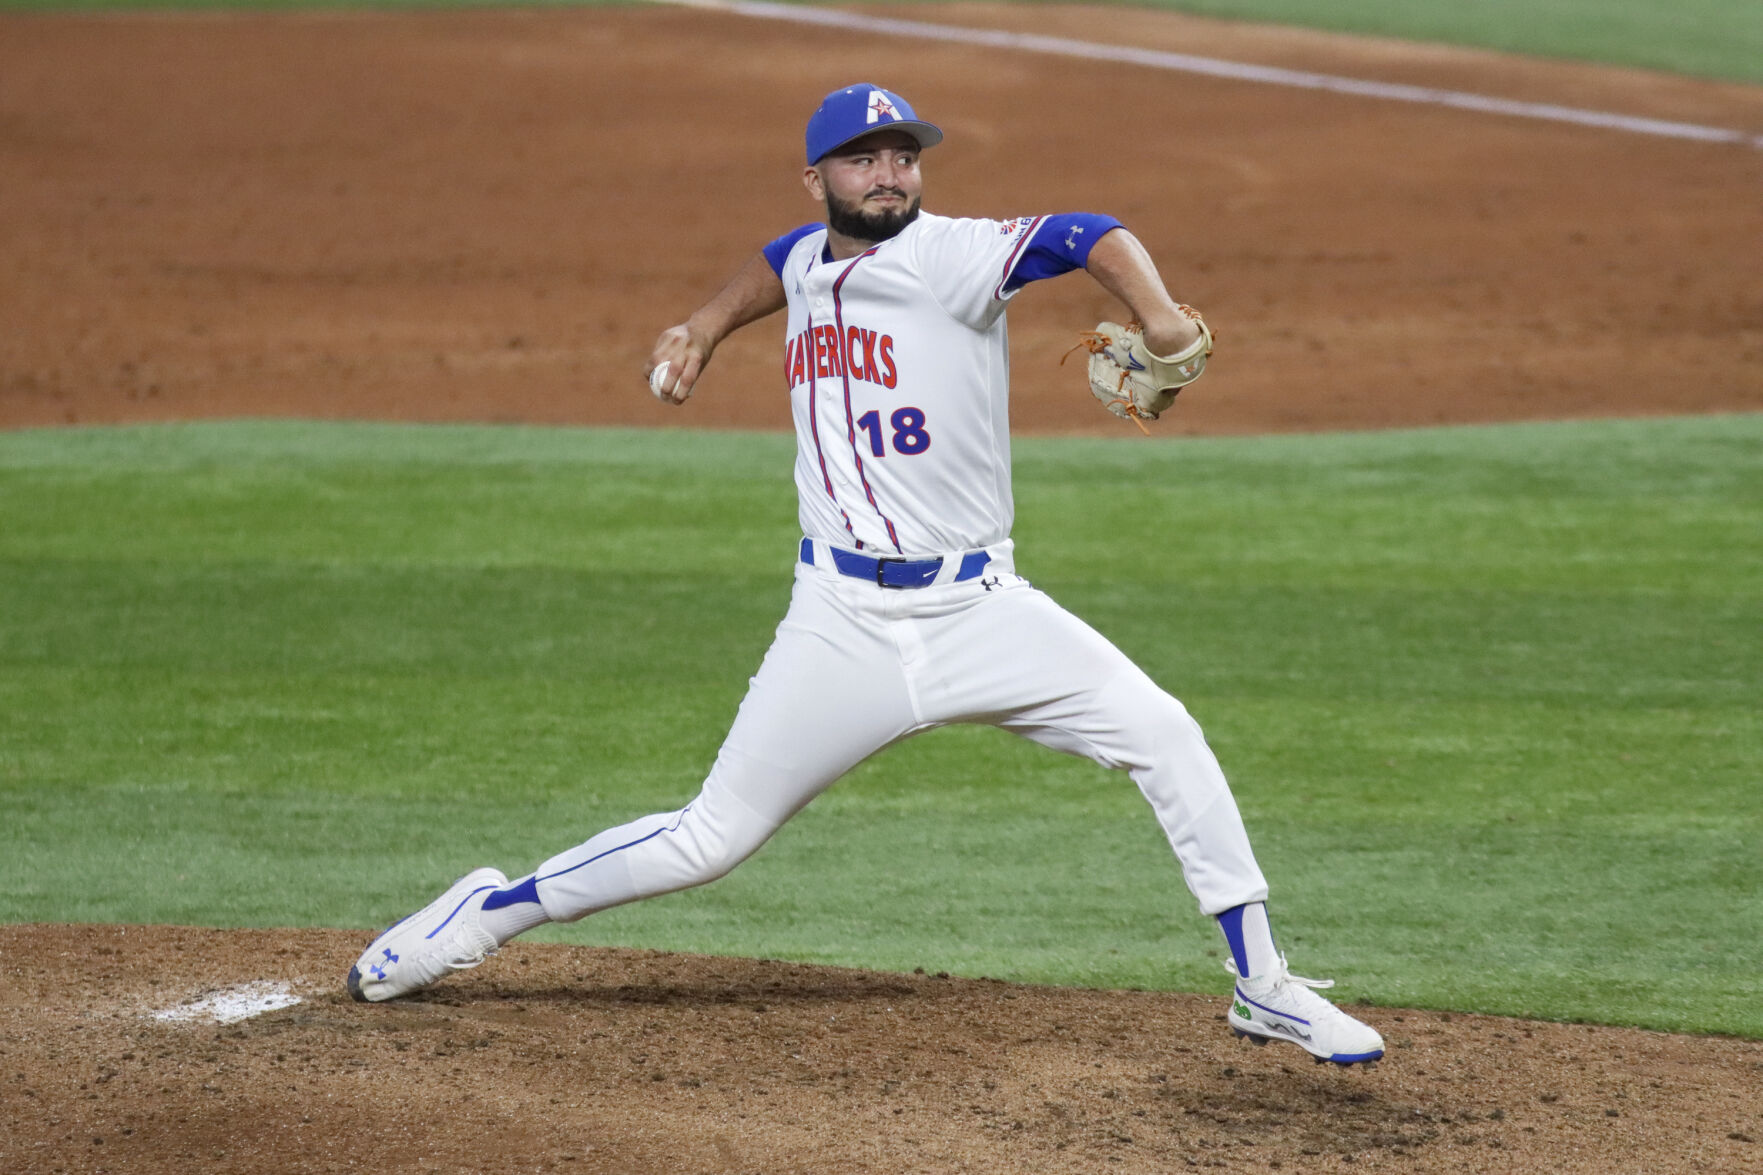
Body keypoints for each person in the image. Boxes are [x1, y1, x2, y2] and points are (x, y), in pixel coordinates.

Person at [347, 83, 1383, 1067]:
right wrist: (702, 328)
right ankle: (485, 911)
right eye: (862, 160)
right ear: (817, 180)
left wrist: (1156, 314)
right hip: (838, 620)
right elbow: (777, 263)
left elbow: (1085, 230)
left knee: (1162, 730)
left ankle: (1261, 981)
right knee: (707, 839)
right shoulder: (806, 257)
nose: (888, 174)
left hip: (981, 609)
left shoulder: (958, 257)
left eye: (901, 156)